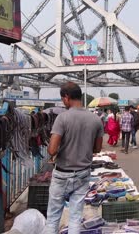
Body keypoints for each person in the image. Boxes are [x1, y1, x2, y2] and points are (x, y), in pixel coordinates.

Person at [44, 82, 104, 234]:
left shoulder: (62, 118)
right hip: (83, 173)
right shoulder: (95, 119)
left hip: (62, 174)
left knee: (53, 218)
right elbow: (97, 149)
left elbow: (51, 150)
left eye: (63, 98)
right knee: (75, 217)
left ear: (66, 97)